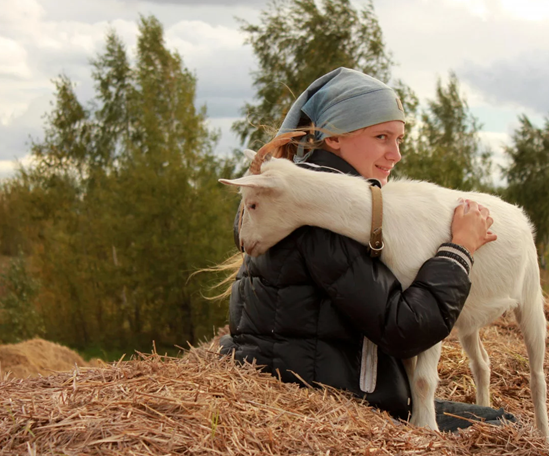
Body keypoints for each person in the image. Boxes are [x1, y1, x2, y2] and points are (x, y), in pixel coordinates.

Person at [219, 67, 515, 431]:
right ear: (334, 138)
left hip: (301, 379)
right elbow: (405, 330)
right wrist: (459, 250)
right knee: (506, 427)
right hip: (335, 399)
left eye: (399, 139)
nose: (395, 154)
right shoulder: (328, 215)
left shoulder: (291, 194)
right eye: (382, 137)